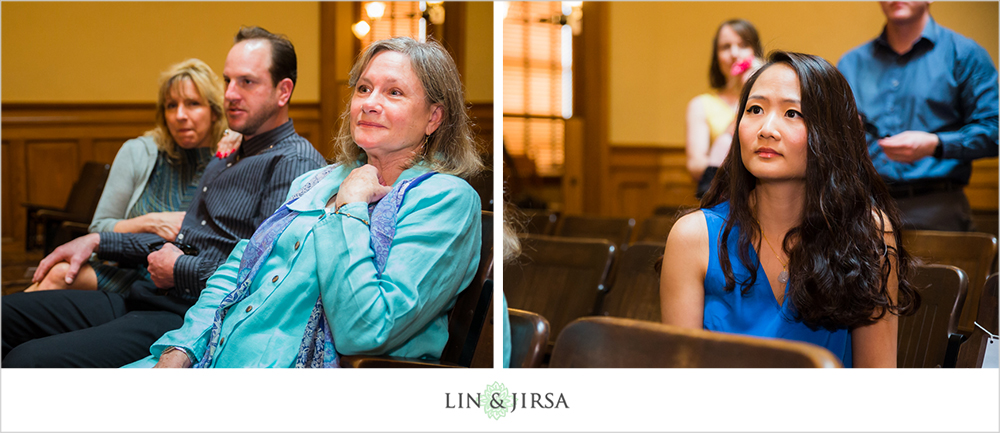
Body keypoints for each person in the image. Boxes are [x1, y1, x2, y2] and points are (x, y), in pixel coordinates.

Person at [127, 36, 483, 368]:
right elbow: (238, 272)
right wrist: (180, 350)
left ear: (433, 118)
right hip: (212, 353)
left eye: (394, 92)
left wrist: (352, 207)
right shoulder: (316, 180)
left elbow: (365, 329)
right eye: (363, 88)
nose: (370, 103)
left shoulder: (444, 199)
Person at [2, 26, 327, 368]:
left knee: (28, 361)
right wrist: (98, 241)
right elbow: (184, 240)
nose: (230, 93)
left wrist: (179, 269)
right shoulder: (230, 153)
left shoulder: (293, 163)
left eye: (247, 82)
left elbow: (264, 276)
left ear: (283, 91)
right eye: (227, 80)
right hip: (144, 297)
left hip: (188, 318)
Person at [659, 51, 920, 368]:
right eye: (755, 109)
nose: (766, 129)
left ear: (830, 133)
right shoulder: (693, 237)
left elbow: (876, 379)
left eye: (793, 113)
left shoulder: (867, 232)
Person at [24, 59, 228, 294]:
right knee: (60, 274)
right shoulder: (139, 152)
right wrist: (150, 222)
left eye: (193, 104)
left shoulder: (228, 160)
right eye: (171, 105)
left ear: (214, 112)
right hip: (129, 275)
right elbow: (99, 228)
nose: (180, 115)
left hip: (190, 284)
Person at [837, 1, 999, 231]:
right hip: (866, 208)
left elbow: (995, 128)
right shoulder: (851, 63)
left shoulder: (964, 54)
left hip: (938, 209)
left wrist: (936, 144)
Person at [686, 19, 764, 198]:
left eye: (743, 45)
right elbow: (696, 166)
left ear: (756, 52)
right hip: (720, 196)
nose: (734, 53)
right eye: (725, 47)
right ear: (716, 56)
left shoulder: (770, 101)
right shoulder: (700, 105)